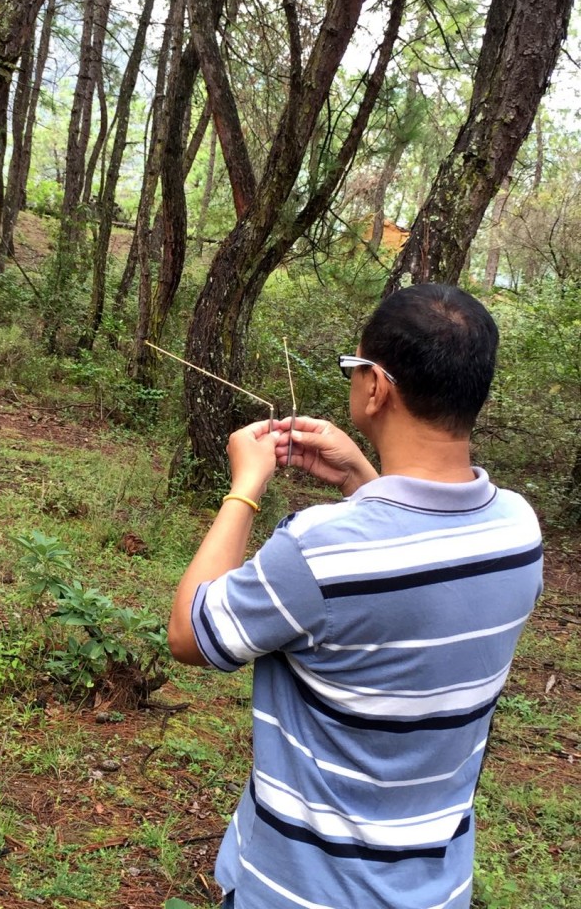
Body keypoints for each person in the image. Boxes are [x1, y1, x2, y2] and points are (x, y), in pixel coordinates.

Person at [168, 283, 543, 909]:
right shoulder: (518, 531)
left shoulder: (320, 549)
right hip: (435, 889)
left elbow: (190, 631)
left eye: (355, 367)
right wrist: (361, 479)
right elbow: (416, 566)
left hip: (303, 891)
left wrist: (245, 485)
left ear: (377, 388)